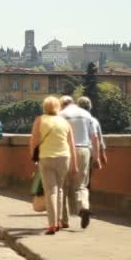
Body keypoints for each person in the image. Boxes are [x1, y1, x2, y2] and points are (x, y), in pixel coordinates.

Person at [29, 96, 78, 235]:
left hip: (46, 157)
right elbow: (71, 144)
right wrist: (74, 165)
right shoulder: (64, 122)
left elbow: (33, 140)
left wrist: (33, 157)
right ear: (58, 107)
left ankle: (52, 224)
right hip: (64, 157)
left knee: (51, 191)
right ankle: (60, 220)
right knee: (60, 189)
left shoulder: (40, 120)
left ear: (45, 107)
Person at [59, 96, 101, 229]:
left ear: (62, 104)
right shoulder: (86, 114)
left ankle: (64, 220)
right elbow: (94, 138)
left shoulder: (61, 115)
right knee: (81, 184)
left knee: (63, 186)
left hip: (67, 151)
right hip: (84, 150)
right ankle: (83, 207)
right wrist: (96, 157)